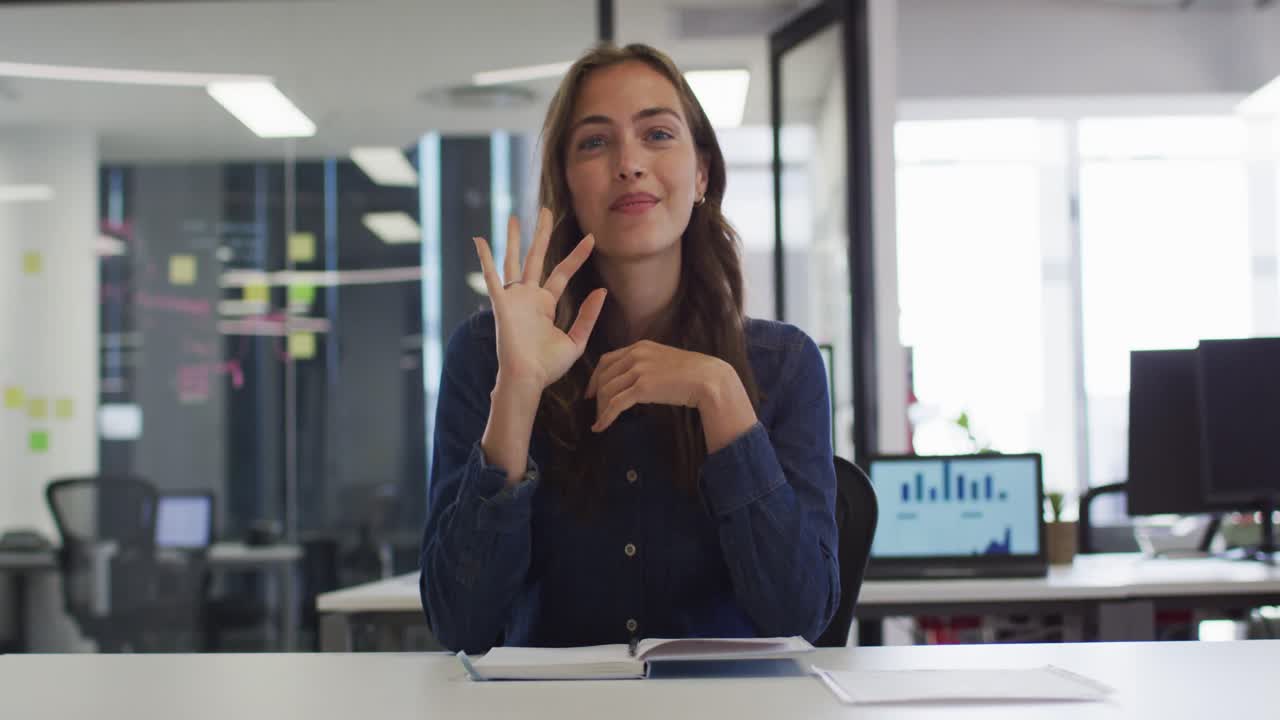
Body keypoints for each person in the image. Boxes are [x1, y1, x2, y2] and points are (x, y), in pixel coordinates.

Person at [420, 43, 839, 654]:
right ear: (566, 183)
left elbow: (801, 615)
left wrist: (721, 394)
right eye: (595, 142)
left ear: (701, 174)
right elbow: (460, 625)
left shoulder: (785, 364)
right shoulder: (488, 353)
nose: (629, 163)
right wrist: (517, 390)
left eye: (658, 134)